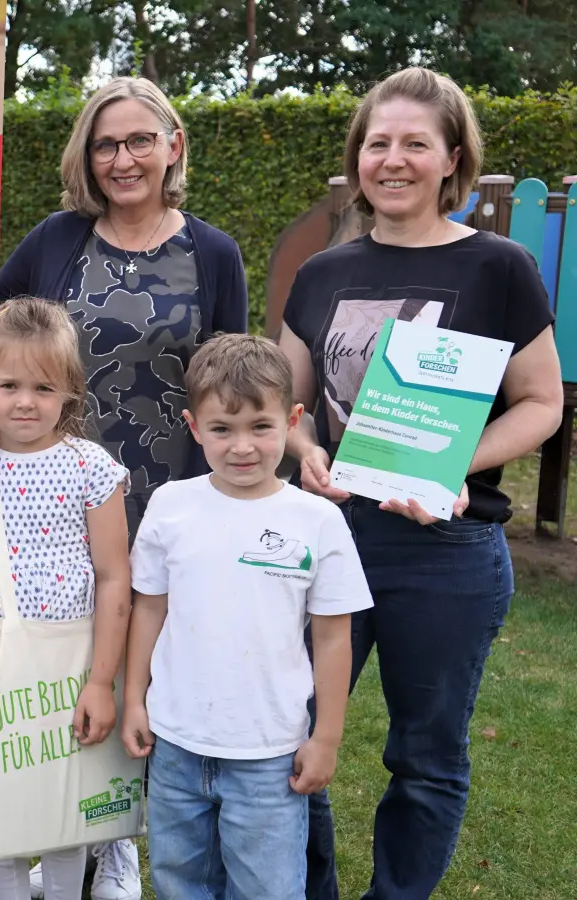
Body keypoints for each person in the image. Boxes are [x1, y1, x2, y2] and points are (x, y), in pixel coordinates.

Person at [280, 67, 565, 900]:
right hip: (328, 538)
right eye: (378, 143)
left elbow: (541, 403)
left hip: (445, 550)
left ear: (452, 160)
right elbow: (290, 405)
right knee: (289, 730)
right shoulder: (323, 275)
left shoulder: (499, 267)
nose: (393, 160)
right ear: (357, 158)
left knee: (426, 754)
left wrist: (447, 464)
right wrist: (302, 446)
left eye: (415, 144)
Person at [0, 75, 249, 898]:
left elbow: (228, 379)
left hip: (172, 498)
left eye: (141, 139)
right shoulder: (54, 242)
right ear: (87, 156)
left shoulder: (212, 253)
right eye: (107, 143)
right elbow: (9, 353)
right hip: (60, 499)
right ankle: (55, 824)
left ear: (172, 145)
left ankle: (121, 841)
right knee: (71, 667)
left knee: (149, 669)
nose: (124, 158)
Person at [120, 334, 372, 899]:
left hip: (269, 755)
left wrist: (326, 737)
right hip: (176, 746)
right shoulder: (170, 507)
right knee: (179, 883)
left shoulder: (318, 521)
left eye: (261, 426)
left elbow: (334, 637)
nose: (242, 447)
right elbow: (149, 609)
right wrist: (134, 698)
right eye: (221, 429)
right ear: (193, 426)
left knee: (267, 889)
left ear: (293, 419)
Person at [0, 299, 131, 900]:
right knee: (0, 805)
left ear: (69, 392)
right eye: (9, 385)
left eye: (43, 387)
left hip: (68, 672)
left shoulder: (90, 467)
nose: (24, 401)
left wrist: (102, 681)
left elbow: (115, 576)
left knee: (63, 805)